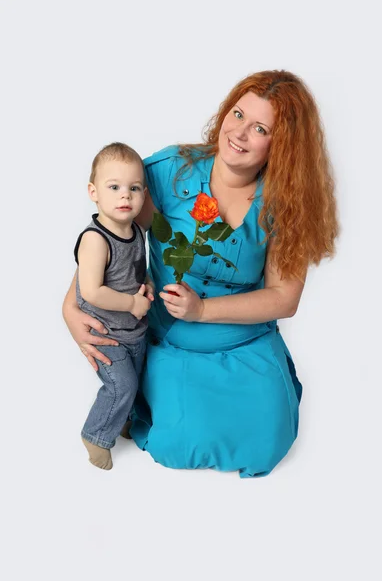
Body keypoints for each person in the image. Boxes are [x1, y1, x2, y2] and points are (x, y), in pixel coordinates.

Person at [63, 71, 338, 478]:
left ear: (282, 145)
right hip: (174, 339)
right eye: (238, 113)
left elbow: (284, 298)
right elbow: (108, 232)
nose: (240, 133)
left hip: (245, 337)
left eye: (260, 128)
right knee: (179, 442)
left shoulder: (286, 202)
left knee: (269, 440)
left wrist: (203, 309)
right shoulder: (170, 171)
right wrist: (71, 305)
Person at [73, 142, 154, 470]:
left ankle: (121, 421)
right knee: (122, 383)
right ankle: (95, 434)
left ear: (144, 194)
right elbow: (91, 291)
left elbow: (137, 267)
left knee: (136, 378)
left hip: (133, 329)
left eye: (134, 188)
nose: (125, 196)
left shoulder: (135, 229)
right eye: (114, 187)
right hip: (107, 331)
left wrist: (146, 283)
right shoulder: (95, 239)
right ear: (93, 192)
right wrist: (131, 303)